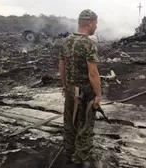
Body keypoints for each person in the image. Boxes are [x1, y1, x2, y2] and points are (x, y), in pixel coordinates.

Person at [58, 9, 101, 168]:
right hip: (84, 93)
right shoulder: (89, 44)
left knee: (69, 123)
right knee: (84, 126)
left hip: (70, 90)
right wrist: (98, 95)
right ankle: (80, 159)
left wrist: (64, 85)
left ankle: (69, 154)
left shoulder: (66, 41)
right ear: (89, 23)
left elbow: (61, 66)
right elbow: (93, 74)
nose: (96, 26)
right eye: (96, 23)